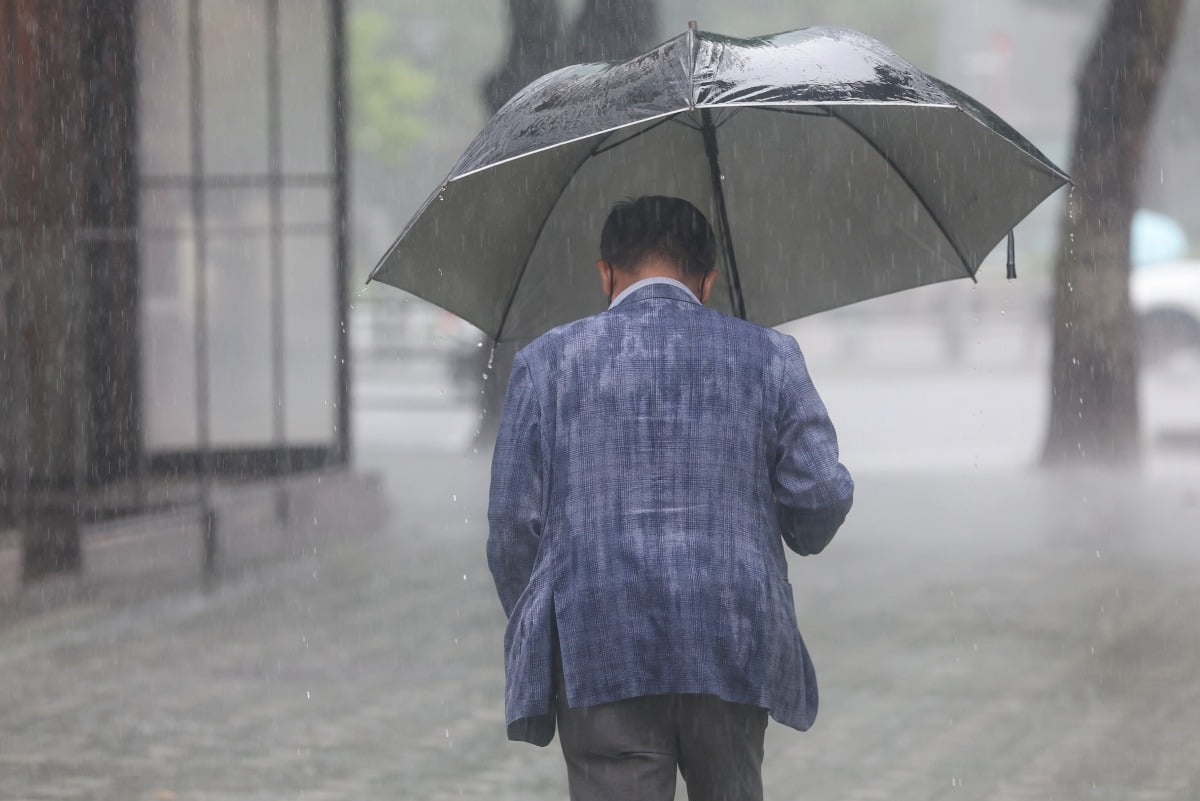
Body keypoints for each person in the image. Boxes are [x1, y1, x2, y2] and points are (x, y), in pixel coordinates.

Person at [487, 195, 854, 801]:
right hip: (732, 639)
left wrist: (556, 623)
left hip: (599, 639)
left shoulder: (546, 363)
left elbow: (510, 529)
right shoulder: (769, 357)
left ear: (606, 273)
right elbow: (817, 503)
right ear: (707, 281)